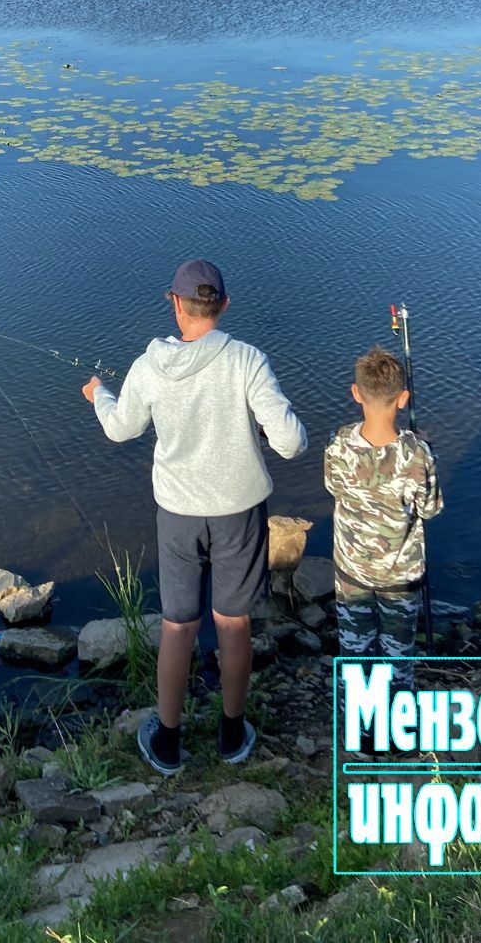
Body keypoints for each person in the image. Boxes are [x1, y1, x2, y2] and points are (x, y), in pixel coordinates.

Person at [81, 258, 307, 775]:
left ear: (175, 304)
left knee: (179, 625)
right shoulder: (248, 360)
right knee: (233, 621)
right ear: (223, 306)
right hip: (240, 512)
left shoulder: (148, 365)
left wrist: (100, 396)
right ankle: (232, 733)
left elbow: (120, 429)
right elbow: (292, 442)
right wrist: (262, 431)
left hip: (179, 514)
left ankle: (168, 740)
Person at [324, 343, 443, 690]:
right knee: (398, 654)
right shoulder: (418, 454)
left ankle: (360, 735)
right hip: (400, 578)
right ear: (403, 398)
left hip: (352, 571)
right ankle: (396, 733)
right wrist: (424, 449)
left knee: (355, 654)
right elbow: (430, 509)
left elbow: (333, 487)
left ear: (356, 393)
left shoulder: (338, 444)